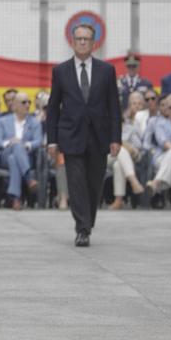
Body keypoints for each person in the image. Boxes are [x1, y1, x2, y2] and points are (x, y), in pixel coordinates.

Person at [46, 23, 122, 247]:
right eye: (78, 38)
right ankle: (82, 228)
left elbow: (114, 107)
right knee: (76, 182)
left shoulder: (106, 70)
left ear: (93, 43)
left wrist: (115, 138)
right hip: (71, 135)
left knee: (93, 183)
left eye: (86, 39)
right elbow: (53, 107)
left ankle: (87, 221)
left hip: (98, 136)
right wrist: (52, 140)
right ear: (72, 41)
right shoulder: (61, 70)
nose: (82, 42)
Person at [0, 92, 42, 210]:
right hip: (5, 154)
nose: (28, 105)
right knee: (15, 147)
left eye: (29, 102)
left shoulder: (35, 122)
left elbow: (38, 141)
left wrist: (26, 144)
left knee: (14, 158)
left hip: (26, 155)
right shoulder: (2, 121)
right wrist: (9, 142)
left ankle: (15, 198)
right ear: (14, 105)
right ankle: (29, 178)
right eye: (24, 102)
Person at [108, 94, 146, 209]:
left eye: (140, 104)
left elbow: (141, 143)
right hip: (111, 155)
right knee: (121, 150)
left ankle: (118, 200)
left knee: (118, 165)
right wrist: (126, 146)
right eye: (134, 104)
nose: (137, 106)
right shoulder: (113, 122)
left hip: (132, 156)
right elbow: (112, 142)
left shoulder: (136, 123)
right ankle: (134, 181)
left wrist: (132, 149)